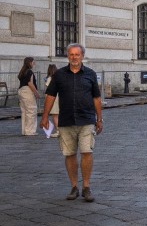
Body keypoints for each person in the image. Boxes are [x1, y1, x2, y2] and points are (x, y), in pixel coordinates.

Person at [40, 44, 103, 202]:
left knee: (87, 152)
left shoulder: (90, 74)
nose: (74, 57)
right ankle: (74, 186)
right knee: (69, 154)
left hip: (86, 119)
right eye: (71, 54)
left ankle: (86, 187)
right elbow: (50, 96)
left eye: (77, 54)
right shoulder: (59, 75)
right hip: (66, 120)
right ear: (67, 56)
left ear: (82, 56)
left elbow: (96, 97)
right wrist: (45, 116)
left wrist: (99, 119)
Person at [17, 57, 40, 136]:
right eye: (33, 61)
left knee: (24, 111)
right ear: (30, 62)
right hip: (27, 91)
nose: (34, 63)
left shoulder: (22, 71)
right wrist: (36, 93)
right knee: (31, 110)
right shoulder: (29, 71)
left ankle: (25, 130)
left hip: (21, 91)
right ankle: (30, 131)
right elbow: (30, 83)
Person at [44, 64, 60, 138]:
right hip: (59, 98)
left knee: (55, 116)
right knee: (58, 115)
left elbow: (48, 91)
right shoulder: (58, 78)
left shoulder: (50, 78)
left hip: (53, 98)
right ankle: (60, 130)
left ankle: (58, 131)